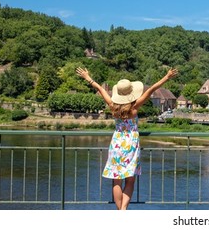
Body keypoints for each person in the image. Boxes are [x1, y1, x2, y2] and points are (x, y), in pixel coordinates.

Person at [76, 67, 178, 210]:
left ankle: (120, 211)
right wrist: (167, 77)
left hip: (117, 142)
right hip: (131, 144)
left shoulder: (112, 106)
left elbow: (100, 88)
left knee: (116, 180)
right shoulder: (134, 107)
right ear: (131, 93)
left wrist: (88, 77)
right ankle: (124, 209)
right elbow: (152, 89)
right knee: (130, 180)